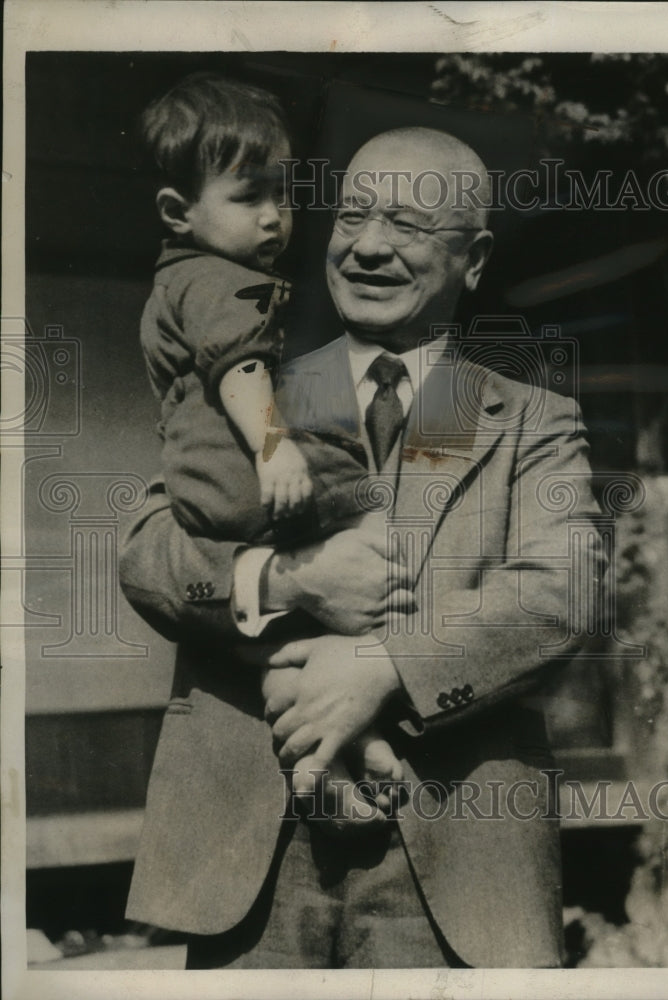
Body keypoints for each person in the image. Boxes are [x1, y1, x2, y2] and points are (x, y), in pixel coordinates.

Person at [120, 125, 607, 968]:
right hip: (251, 853)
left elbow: (563, 589)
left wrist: (382, 667)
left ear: (475, 258)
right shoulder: (254, 386)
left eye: (409, 227)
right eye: (352, 217)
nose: (369, 247)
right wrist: (284, 579)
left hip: (457, 860)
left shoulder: (531, 418)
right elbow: (145, 550)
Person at [137, 72, 403, 817]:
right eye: (249, 196)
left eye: (285, 193)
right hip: (252, 485)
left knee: (283, 656)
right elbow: (239, 367)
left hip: (223, 501)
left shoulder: (182, 281)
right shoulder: (216, 281)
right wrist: (273, 446)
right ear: (177, 212)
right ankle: (353, 750)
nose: (276, 217)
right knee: (375, 534)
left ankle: (347, 756)